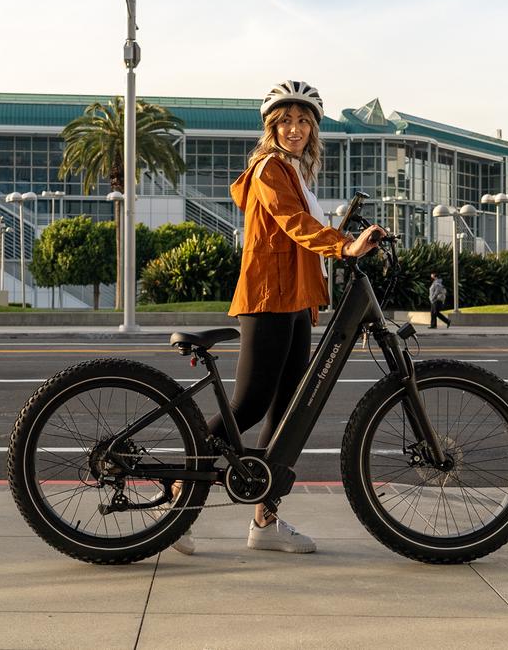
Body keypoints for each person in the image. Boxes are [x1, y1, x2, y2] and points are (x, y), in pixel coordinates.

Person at [164, 80, 384, 556]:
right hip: (269, 299)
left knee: (287, 413)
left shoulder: (297, 174)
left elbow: (307, 231)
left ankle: (265, 520)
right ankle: (180, 503)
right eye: (285, 120)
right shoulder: (268, 169)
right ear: (272, 126)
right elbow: (292, 224)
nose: (295, 128)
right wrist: (341, 244)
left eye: (303, 120)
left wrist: (344, 239)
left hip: (297, 302)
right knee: (249, 407)